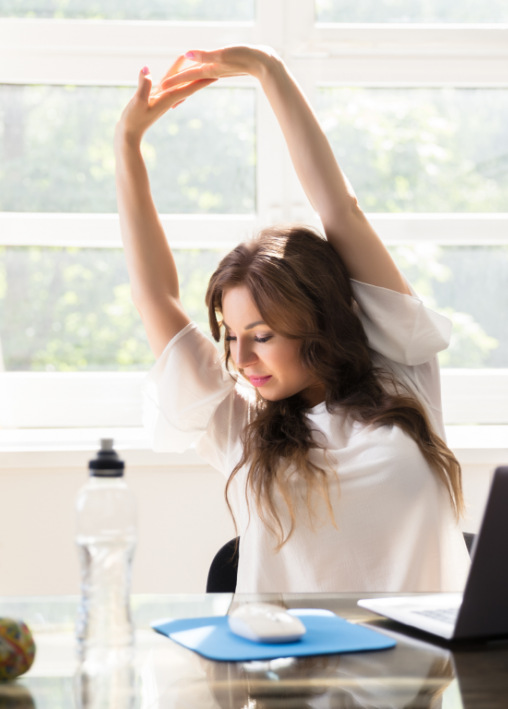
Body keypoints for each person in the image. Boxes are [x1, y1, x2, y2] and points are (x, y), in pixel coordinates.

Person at [114, 46, 470, 593]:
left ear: (320, 319)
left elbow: (340, 210)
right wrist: (128, 144)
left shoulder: (404, 371)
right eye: (231, 337)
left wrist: (268, 70)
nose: (240, 358)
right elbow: (154, 296)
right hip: (286, 675)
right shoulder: (243, 432)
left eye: (262, 335)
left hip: (415, 671)